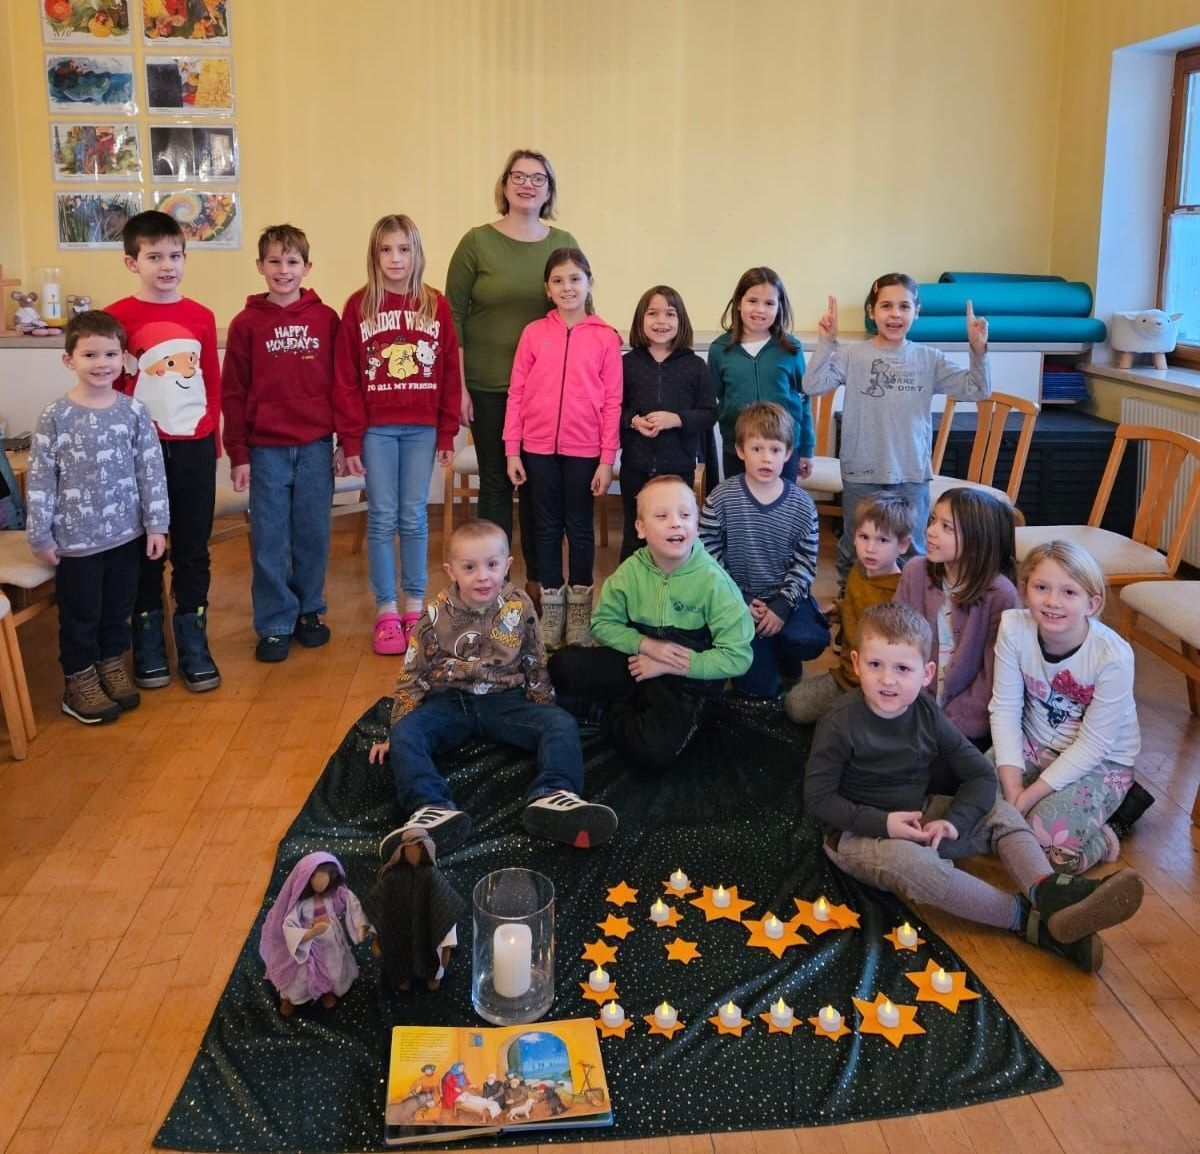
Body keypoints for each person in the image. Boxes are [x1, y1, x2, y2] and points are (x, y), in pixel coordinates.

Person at [806, 603, 1144, 973]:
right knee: (913, 863)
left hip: (919, 811)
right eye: (875, 665)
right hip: (855, 836)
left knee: (1000, 810)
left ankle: (1048, 891)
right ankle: (1029, 921)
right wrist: (885, 825)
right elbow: (819, 800)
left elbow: (981, 775)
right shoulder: (839, 723)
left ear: (926, 673)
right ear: (856, 664)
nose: (887, 679)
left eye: (902, 668)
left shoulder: (927, 714)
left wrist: (954, 822)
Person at [367, 519, 618, 855]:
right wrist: (396, 728)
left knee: (560, 724)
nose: (482, 576)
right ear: (451, 571)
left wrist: (543, 704)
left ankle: (553, 795)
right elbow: (412, 674)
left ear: (507, 566)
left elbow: (534, 659)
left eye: (492, 565)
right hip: (450, 701)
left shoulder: (520, 605)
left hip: (505, 700)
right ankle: (431, 808)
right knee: (406, 735)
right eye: (469, 567)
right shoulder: (433, 615)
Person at [445, 149, 580, 612]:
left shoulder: (561, 241)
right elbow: (453, 318)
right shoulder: (476, 242)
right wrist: (459, 387)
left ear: (549, 189)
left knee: (542, 487)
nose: (527, 184)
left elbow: (579, 309)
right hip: (486, 386)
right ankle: (492, 586)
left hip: (547, 394)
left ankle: (542, 585)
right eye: (518, 176)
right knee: (499, 484)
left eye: (537, 177)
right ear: (503, 185)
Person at [550, 475, 754, 770]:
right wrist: (645, 645)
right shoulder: (630, 571)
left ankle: (607, 714)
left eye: (685, 515)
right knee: (562, 666)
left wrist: (674, 664)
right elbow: (603, 624)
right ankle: (633, 704)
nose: (676, 523)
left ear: (697, 526)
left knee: (656, 752)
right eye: (662, 516)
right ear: (641, 529)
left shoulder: (715, 583)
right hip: (638, 661)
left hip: (686, 677)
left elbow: (738, 656)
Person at [25, 310, 169, 724]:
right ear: (69, 359)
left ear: (123, 357)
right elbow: (39, 479)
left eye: (110, 354)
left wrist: (156, 524)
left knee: (116, 609)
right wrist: (41, 535)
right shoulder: (55, 416)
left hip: (126, 535)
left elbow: (150, 470)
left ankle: (110, 665)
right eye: (90, 354)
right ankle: (79, 681)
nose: (101, 363)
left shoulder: (134, 412)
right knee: (81, 614)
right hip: (76, 543)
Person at [804, 273, 991, 590]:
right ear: (871, 312)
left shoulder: (928, 359)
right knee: (856, 549)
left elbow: (978, 389)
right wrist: (827, 342)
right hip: (861, 472)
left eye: (904, 306)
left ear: (916, 311)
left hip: (911, 473)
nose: (895, 314)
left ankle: (908, 623)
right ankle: (850, 616)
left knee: (913, 553)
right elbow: (813, 385)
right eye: (886, 306)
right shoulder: (852, 355)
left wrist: (978, 350)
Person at [334, 214, 461, 655]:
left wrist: (447, 433)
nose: (395, 258)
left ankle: (415, 606)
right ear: (374, 255)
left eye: (403, 249)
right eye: (386, 249)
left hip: (423, 428)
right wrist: (350, 440)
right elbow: (345, 380)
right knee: (383, 517)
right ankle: (386, 610)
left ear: (417, 253)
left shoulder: (435, 305)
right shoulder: (359, 306)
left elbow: (448, 373)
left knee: (414, 516)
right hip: (376, 431)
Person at [106, 209, 222, 691]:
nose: (167, 265)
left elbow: (211, 386)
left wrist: (212, 439)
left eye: (175, 255)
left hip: (192, 449)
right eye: (154, 256)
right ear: (132, 262)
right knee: (144, 550)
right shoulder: (117, 318)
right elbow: (109, 389)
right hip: (139, 456)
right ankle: (148, 638)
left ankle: (192, 639)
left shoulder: (201, 317)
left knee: (192, 549)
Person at [221, 223, 340, 663]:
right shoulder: (246, 324)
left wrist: (345, 441)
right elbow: (232, 393)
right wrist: (238, 453)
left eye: (292, 262)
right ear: (259, 266)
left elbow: (342, 384)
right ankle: (274, 621)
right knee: (270, 539)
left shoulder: (326, 319)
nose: (283, 270)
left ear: (307, 267)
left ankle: (309, 610)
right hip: (265, 450)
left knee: (312, 535)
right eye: (274, 261)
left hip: (314, 446)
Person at [990, 541, 1141, 875]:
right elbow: (1004, 710)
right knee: (973, 804)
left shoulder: (1113, 656)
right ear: (1025, 588)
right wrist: (1014, 788)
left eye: (1069, 592)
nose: (1052, 601)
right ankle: (1040, 815)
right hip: (1036, 742)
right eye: (1041, 587)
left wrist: (1026, 800)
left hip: (1103, 761)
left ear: (1092, 602)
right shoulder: (1014, 628)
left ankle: (1108, 834)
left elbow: (1094, 745)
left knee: (1046, 848)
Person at [503, 248, 621, 648]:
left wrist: (607, 459)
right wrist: (512, 449)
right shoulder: (533, 333)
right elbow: (516, 392)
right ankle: (551, 614)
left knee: (580, 529)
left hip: (585, 450)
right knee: (546, 527)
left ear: (589, 282)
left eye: (574, 279)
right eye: (558, 280)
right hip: (536, 448)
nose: (567, 287)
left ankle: (580, 615)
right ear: (547, 289)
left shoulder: (606, 337)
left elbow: (612, 403)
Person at [698, 403, 827, 698]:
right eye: (757, 449)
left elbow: (805, 563)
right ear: (740, 451)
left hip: (785, 600)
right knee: (756, 692)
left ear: (788, 453)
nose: (766, 458)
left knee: (809, 638)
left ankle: (786, 655)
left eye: (775, 449)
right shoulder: (721, 498)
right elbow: (707, 556)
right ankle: (760, 653)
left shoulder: (802, 504)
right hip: (736, 599)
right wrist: (739, 600)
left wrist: (781, 606)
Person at [894, 487, 1018, 750]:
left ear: (977, 539)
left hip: (966, 719)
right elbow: (897, 641)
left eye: (947, 527)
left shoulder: (1001, 594)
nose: (930, 531)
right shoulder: (915, 571)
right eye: (933, 520)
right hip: (912, 703)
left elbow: (993, 676)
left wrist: (953, 720)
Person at [785, 491, 914, 723]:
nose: (870, 548)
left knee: (845, 728)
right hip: (846, 676)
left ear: (903, 544)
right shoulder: (858, 570)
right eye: (864, 537)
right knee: (796, 705)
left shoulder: (901, 591)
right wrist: (840, 608)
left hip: (878, 687)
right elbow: (859, 602)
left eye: (882, 540)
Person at [619, 285, 716, 560]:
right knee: (634, 532)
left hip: (678, 468)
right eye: (653, 313)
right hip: (635, 467)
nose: (661, 321)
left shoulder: (695, 365)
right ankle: (632, 594)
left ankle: (672, 590)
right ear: (641, 319)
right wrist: (633, 421)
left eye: (670, 314)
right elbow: (612, 409)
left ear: (680, 320)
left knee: (674, 536)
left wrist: (676, 419)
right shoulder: (627, 364)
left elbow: (709, 413)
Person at [706, 267, 813, 484]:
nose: (760, 310)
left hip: (782, 450)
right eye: (752, 301)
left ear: (779, 307)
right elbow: (715, 397)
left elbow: (804, 398)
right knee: (739, 507)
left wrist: (806, 448)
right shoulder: (719, 349)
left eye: (769, 303)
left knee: (780, 510)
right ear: (738, 303)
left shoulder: (791, 348)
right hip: (738, 449)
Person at [258, 852, 369, 1016]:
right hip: (307, 942)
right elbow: (289, 925)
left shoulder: (335, 894)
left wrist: (360, 924)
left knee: (333, 965)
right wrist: (309, 934)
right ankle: (291, 998)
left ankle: (329, 990)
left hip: (330, 937)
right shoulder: (301, 903)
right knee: (302, 975)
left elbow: (352, 902)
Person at [362, 826, 465, 993]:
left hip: (428, 932)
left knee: (432, 960)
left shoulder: (432, 877)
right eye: (408, 849)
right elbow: (381, 907)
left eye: (416, 848)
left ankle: (432, 976)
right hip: (401, 933)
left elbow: (447, 909)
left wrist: (447, 946)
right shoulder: (394, 878)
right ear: (402, 851)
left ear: (425, 849)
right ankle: (403, 976)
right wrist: (375, 937)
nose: (412, 853)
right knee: (401, 963)